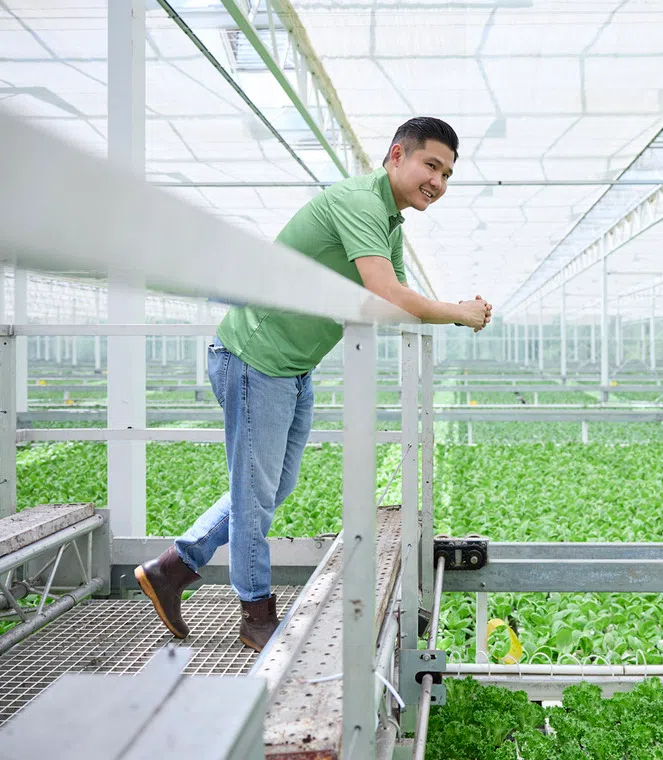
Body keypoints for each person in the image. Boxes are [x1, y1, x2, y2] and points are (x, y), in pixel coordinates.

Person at [134, 117, 490, 651]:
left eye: (447, 174)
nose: (438, 181)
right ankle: (255, 613)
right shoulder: (359, 203)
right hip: (255, 356)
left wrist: (450, 309)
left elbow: (393, 294)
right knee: (255, 495)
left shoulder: (389, 221)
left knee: (275, 488)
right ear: (397, 155)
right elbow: (386, 291)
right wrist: (458, 313)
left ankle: (173, 567)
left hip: (290, 365)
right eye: (431, 165)